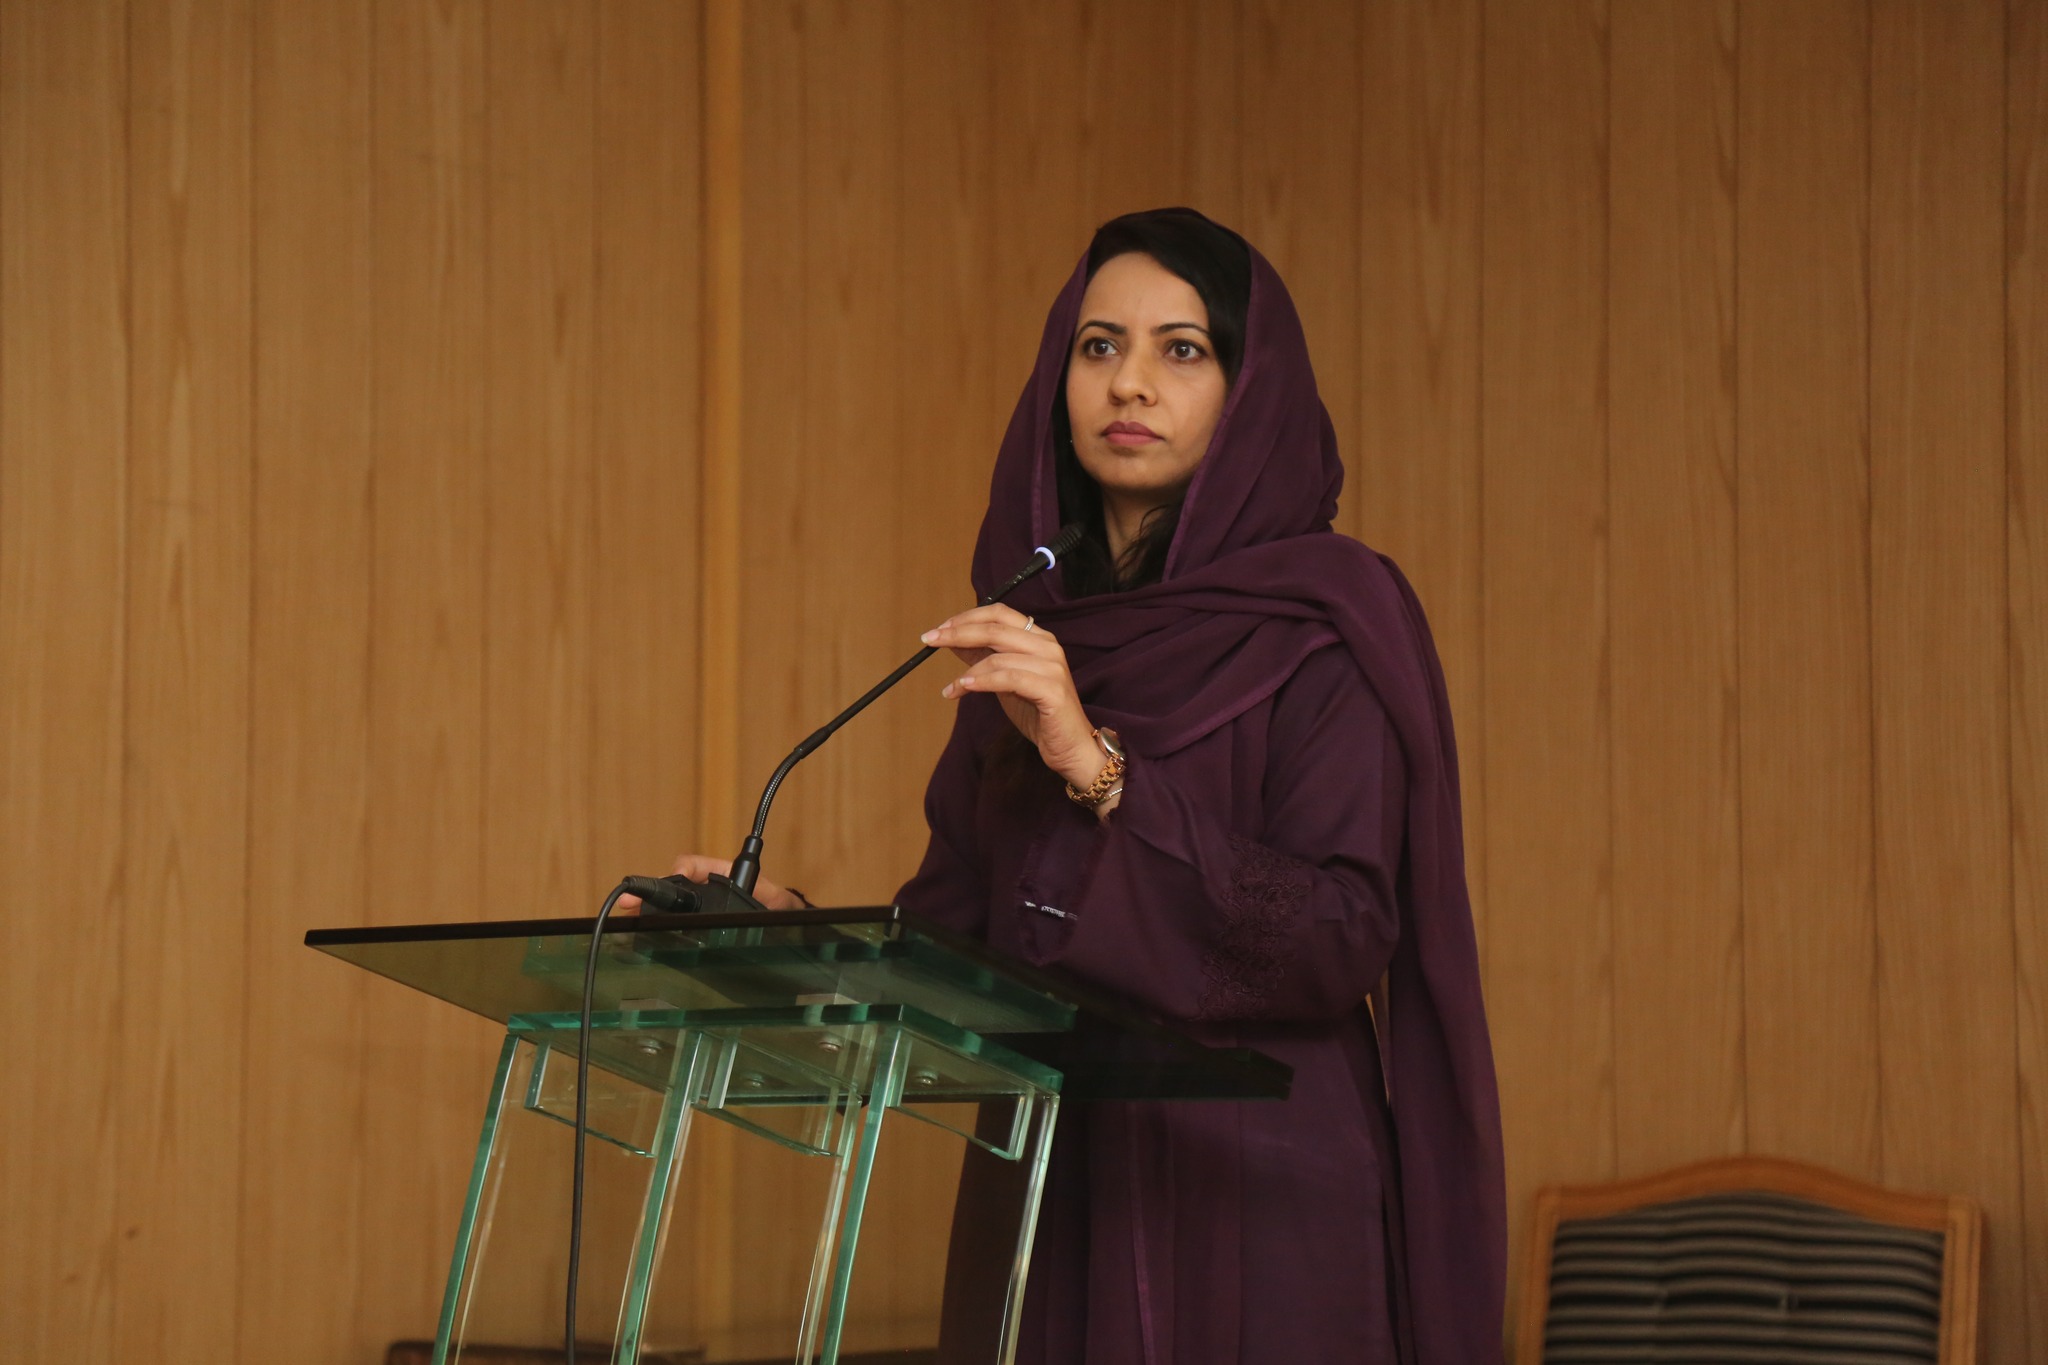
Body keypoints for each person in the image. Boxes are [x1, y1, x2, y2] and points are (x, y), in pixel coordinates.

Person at [668, 207, 1504, 1364]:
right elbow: (963, 945)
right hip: (1054, 1188)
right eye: (1098, 345)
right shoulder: (1028, 630)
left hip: (1261, 1201)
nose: (1129, 384)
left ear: (1250, 390)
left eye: (1182, 350)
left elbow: (1337, 938)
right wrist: (793, 944)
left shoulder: (1326, 622)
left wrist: (1100, 771)